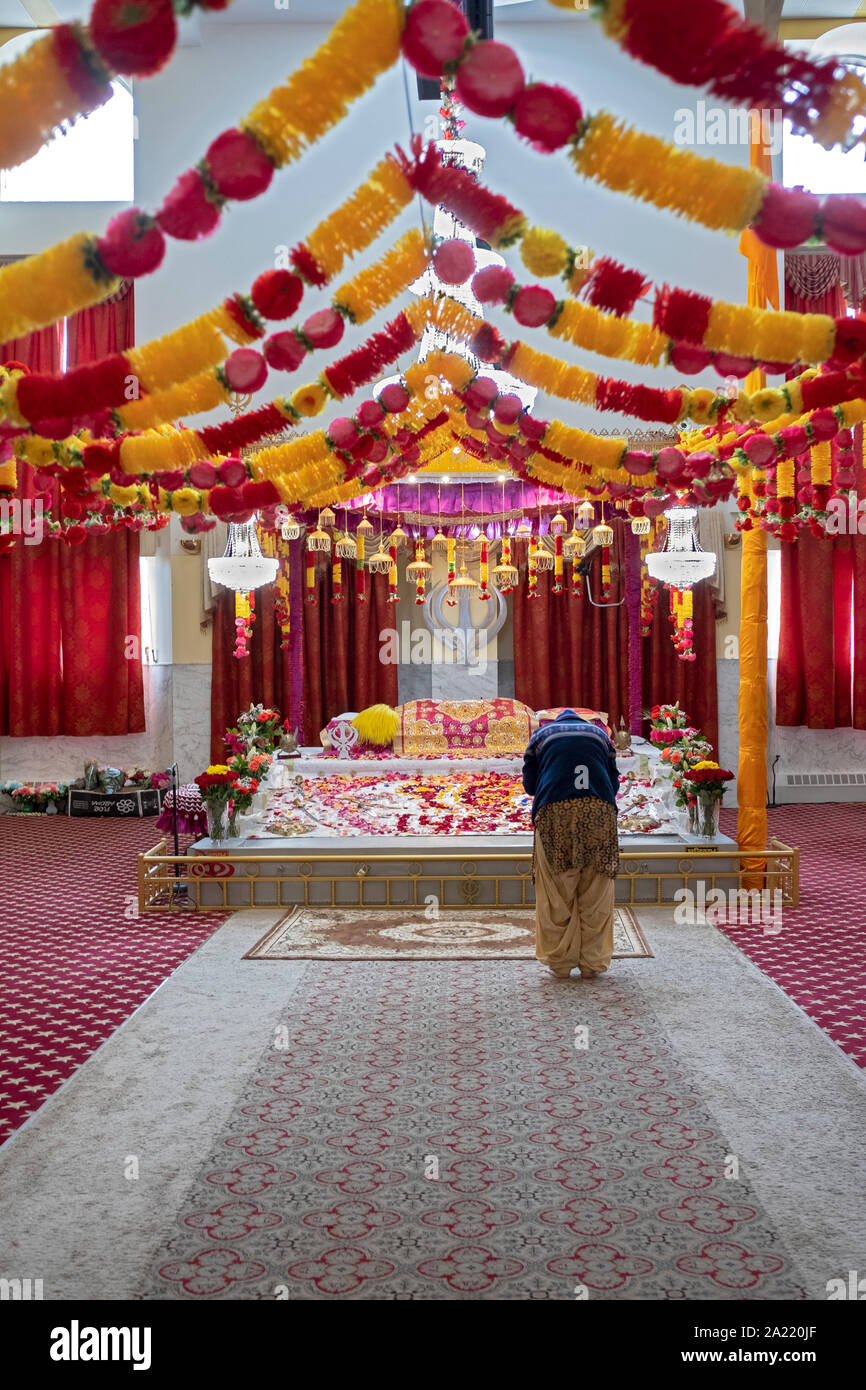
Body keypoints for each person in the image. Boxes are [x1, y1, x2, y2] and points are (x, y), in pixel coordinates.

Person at [522, 709, 620, 980]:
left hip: (556, 814)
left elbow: (530, 786)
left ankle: (561, 963)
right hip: (598, 812)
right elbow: (613, 783)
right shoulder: (602, 736)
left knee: (556, 889)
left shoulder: (540, 736)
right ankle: (592, 963)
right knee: (596, 889)